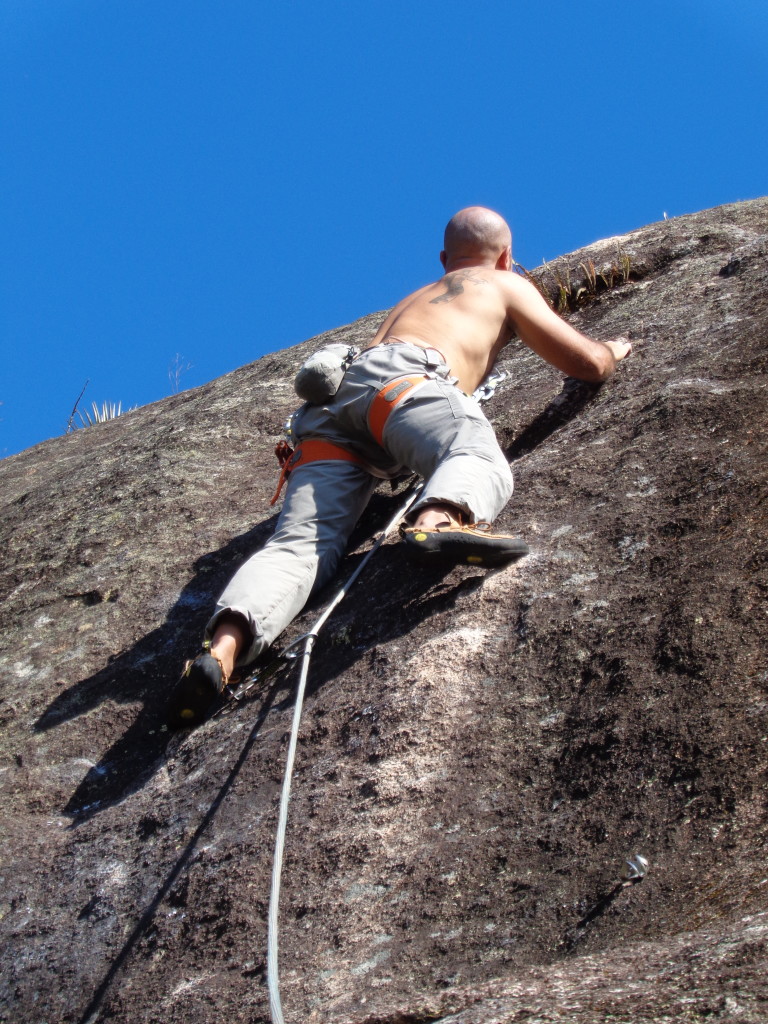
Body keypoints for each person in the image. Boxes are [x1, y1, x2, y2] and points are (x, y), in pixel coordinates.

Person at [168, 207, 631, 726]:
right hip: (402, 386)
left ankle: (221, 653)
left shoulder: (412, 300)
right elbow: (588, 367)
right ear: (505, 255)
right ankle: (436, 523)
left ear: (443, 259)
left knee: (299, 544)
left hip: (329, 413)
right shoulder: (503, 282)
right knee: (472, 453)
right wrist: (612, 348)